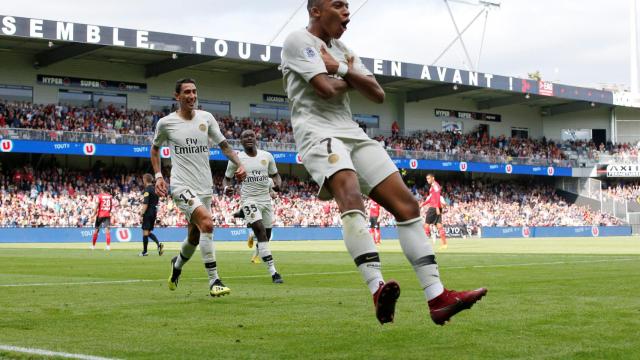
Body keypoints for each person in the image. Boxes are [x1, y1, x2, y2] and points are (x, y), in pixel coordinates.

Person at [280, 0, 487, 325]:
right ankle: (377, 287)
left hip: (351, 130)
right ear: (316, 10)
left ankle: (437, 297)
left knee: (407, 206)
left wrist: (342, 68)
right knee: (349, 192)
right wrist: (350, 76)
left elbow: (377, 93)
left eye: (349, 5)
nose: (347, 11)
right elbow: (323, 89)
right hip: (317, 130)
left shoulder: (343, 50)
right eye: (339, 5)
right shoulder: (298, 41)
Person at [151, 78, 246, 297]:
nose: (192, 96)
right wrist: (158, 176)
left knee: (195, 237)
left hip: (205, 187)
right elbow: (155, 149)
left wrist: (240, 164)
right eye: (187, 92)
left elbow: (224, 146)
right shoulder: (166, 123)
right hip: (181, 186)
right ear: (177, 96)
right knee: (207, 223)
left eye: (194, 91)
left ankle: (176, 266)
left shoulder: (207, 118)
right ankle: (214, 281)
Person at [223, 130, 284, 283]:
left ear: (256, 139)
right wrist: (227, 188)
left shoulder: (267, 156)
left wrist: (278, 184)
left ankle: (245, 218)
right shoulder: (236, 159)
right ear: (240, 141)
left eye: (251, 136)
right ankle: (274, 272)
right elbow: (226, 179)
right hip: (249, 199)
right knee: (260, 230)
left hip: (265, 200)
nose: (249, 138)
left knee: (266, 235)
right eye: (245, 136)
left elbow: (275, 175)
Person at [139, 173, 164, 257]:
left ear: (145, 180)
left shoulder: (147, 190)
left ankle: (145, 252)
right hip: (154, 212)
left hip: (148, 212)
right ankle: (158, 244)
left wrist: (142, 213)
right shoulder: (155, 189)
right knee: (148, 232)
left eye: (143, 179)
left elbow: (145, 203)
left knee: (145, 232)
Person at [421, 174, 448, 250]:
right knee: (439, 226)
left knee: (426, 226)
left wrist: (436, 207)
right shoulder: (433, 186)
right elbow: (430, 198)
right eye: (427, 179)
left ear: (433, 178)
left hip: (434, 207)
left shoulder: (435, 185)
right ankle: (444, 244)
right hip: (437, 207)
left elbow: (437, 196)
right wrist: (422, 204)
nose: (427, 180)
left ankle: (424, 245)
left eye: (429, 178)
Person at [91, 185, 112, 250]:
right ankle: (108, 246)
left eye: (100, 189)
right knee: (107, 231)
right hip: (107, 215)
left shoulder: (99, 196)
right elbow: (111, 206)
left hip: (100, 215)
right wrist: (108, 211)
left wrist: (93, 215)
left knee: (96, 230)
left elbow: (96, 206)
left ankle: (93, 246)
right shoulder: (110, 196)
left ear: (102, 189)